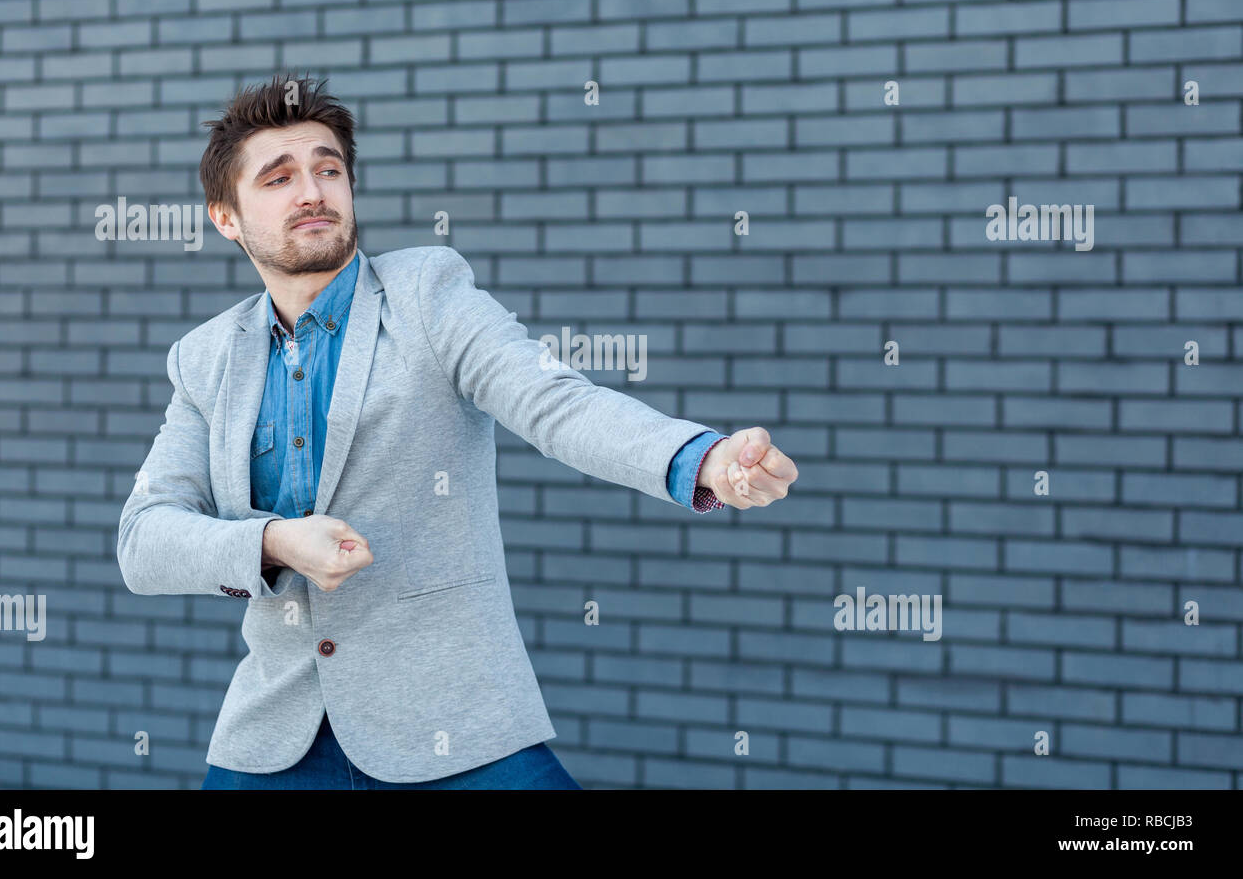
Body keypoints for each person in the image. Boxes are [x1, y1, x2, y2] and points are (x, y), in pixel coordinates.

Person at [116, 73, 798, 790]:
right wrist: (272, 542)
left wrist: (702, 459)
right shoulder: (205, 357)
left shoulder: (427, 294)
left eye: (328, 170)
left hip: (459, 730)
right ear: (227, 217)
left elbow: (554, 402)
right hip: (275, 741)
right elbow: (145, 539)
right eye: (279, 178)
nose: (312, 191)